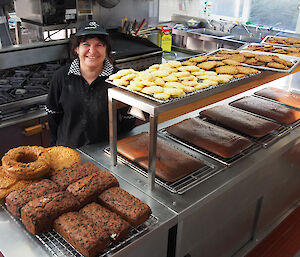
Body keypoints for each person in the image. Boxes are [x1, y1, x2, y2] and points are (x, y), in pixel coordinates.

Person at [46, 20, 136, 148]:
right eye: (86, 44)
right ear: (77, 48)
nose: (92, 51)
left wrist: (121, 147)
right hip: (69, 151)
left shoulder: (119, 79)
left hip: (106, 151)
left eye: (99, 45)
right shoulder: (61, 77)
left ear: (106, 50)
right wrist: (55, 149)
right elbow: (53, 116)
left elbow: (129, 119)